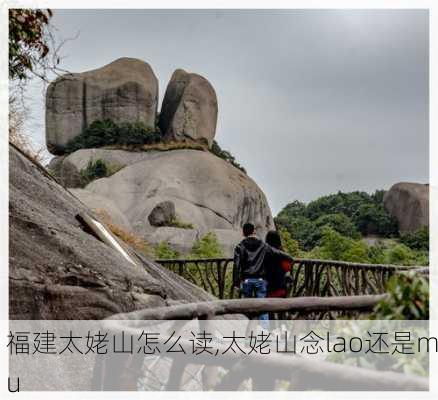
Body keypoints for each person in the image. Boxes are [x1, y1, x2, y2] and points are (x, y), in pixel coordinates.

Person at [232, 223, 294, 323]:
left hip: (246, 280)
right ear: (254, 231)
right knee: (263, 308)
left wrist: (236, 282)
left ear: (243, 232)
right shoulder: (262, 245)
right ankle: (264, 331)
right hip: (261, 280)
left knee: (247, 307)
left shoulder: (240, 246)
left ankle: (249, 330)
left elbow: (237, 265)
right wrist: (289, 257)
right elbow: (276, 252)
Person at [265, 230, 292, 298]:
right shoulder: (283, 254)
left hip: (266, 290)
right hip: (280, 289)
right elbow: (287, 268)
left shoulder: (263, 253)